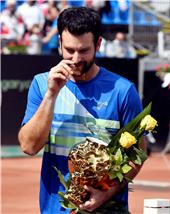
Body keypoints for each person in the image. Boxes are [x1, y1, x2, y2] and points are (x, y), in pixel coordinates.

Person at [18, 7, 143, 213]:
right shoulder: (42, 84)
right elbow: (29, 146)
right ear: (59, 43)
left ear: (98, 44)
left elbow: (137, 155)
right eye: (69, 50)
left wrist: (106, 193)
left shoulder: (123, 91)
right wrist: (51, 94)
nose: (76, 58)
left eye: (84, 51)